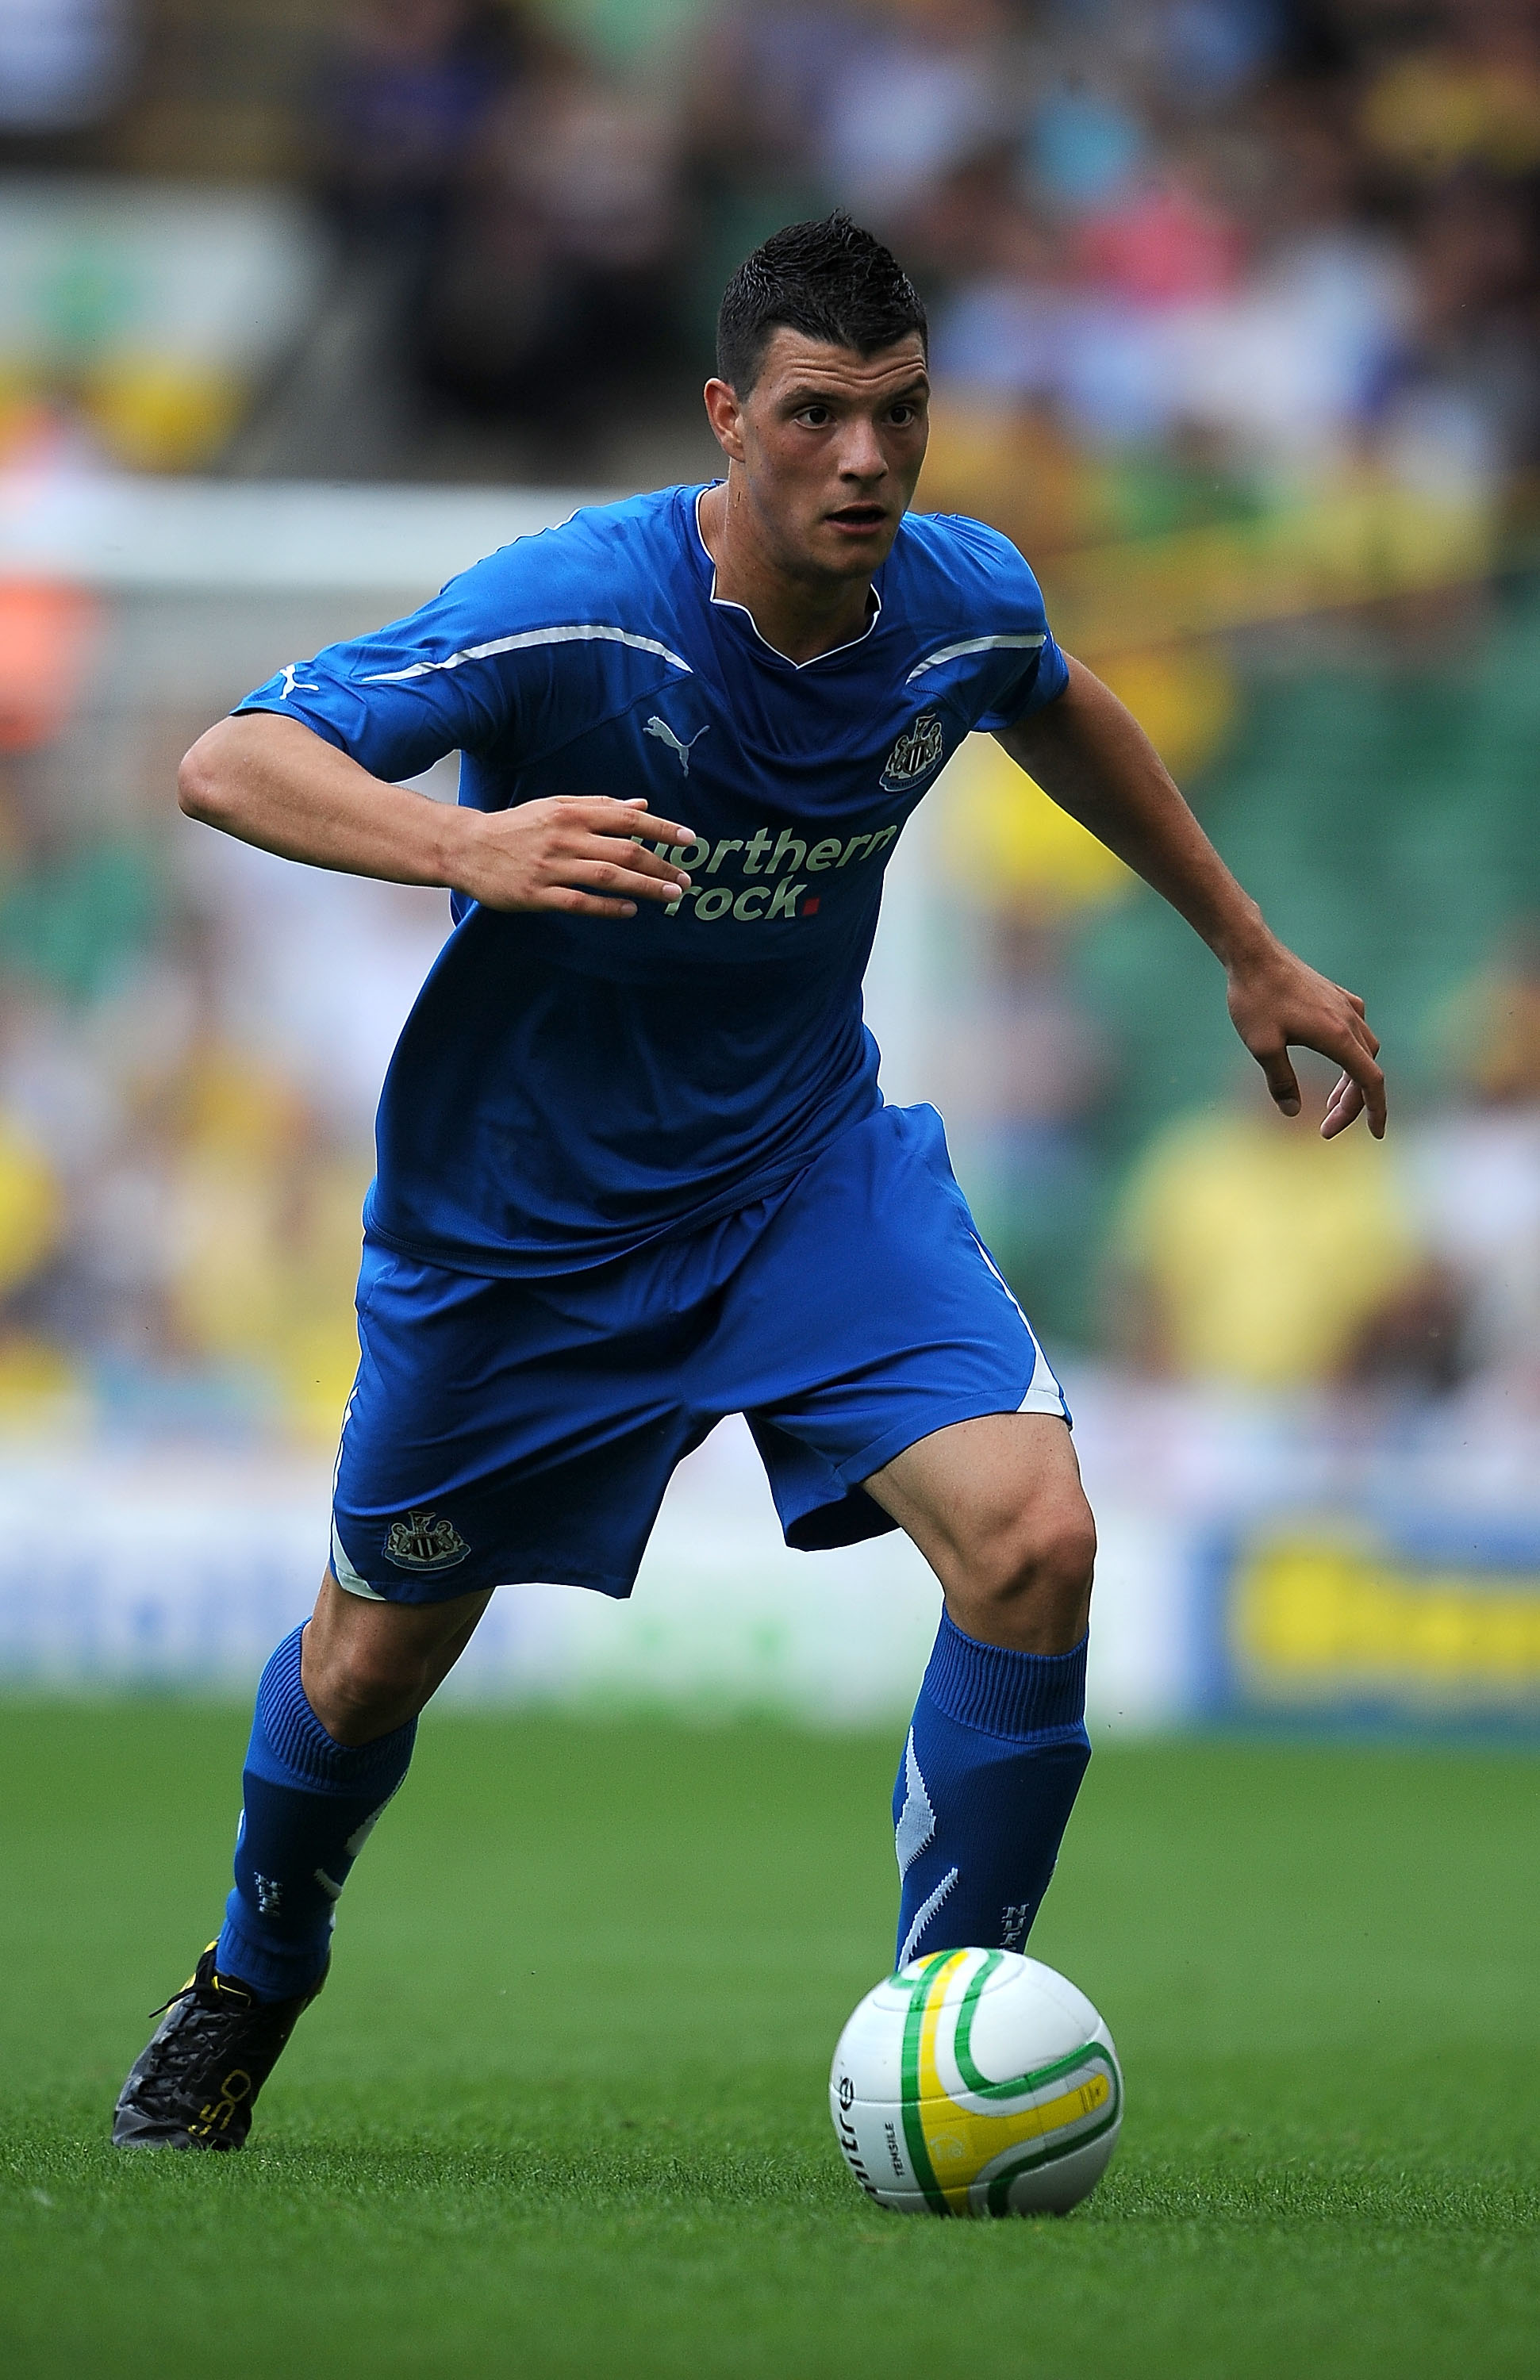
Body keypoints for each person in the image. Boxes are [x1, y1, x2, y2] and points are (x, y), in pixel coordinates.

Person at [113, 213, 1384, 2149]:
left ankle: (947, 2035)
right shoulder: (578, 603)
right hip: (521, 1231)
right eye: (816, 418)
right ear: (730, 419)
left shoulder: (957, 600)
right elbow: (230, 760)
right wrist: (461, 852)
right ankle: (247, 1979)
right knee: (368, 1660)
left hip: (803, 1180)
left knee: (1033, 1538)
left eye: (898, 415)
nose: (865, 460)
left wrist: (1245, 945)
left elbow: (1051, 693)